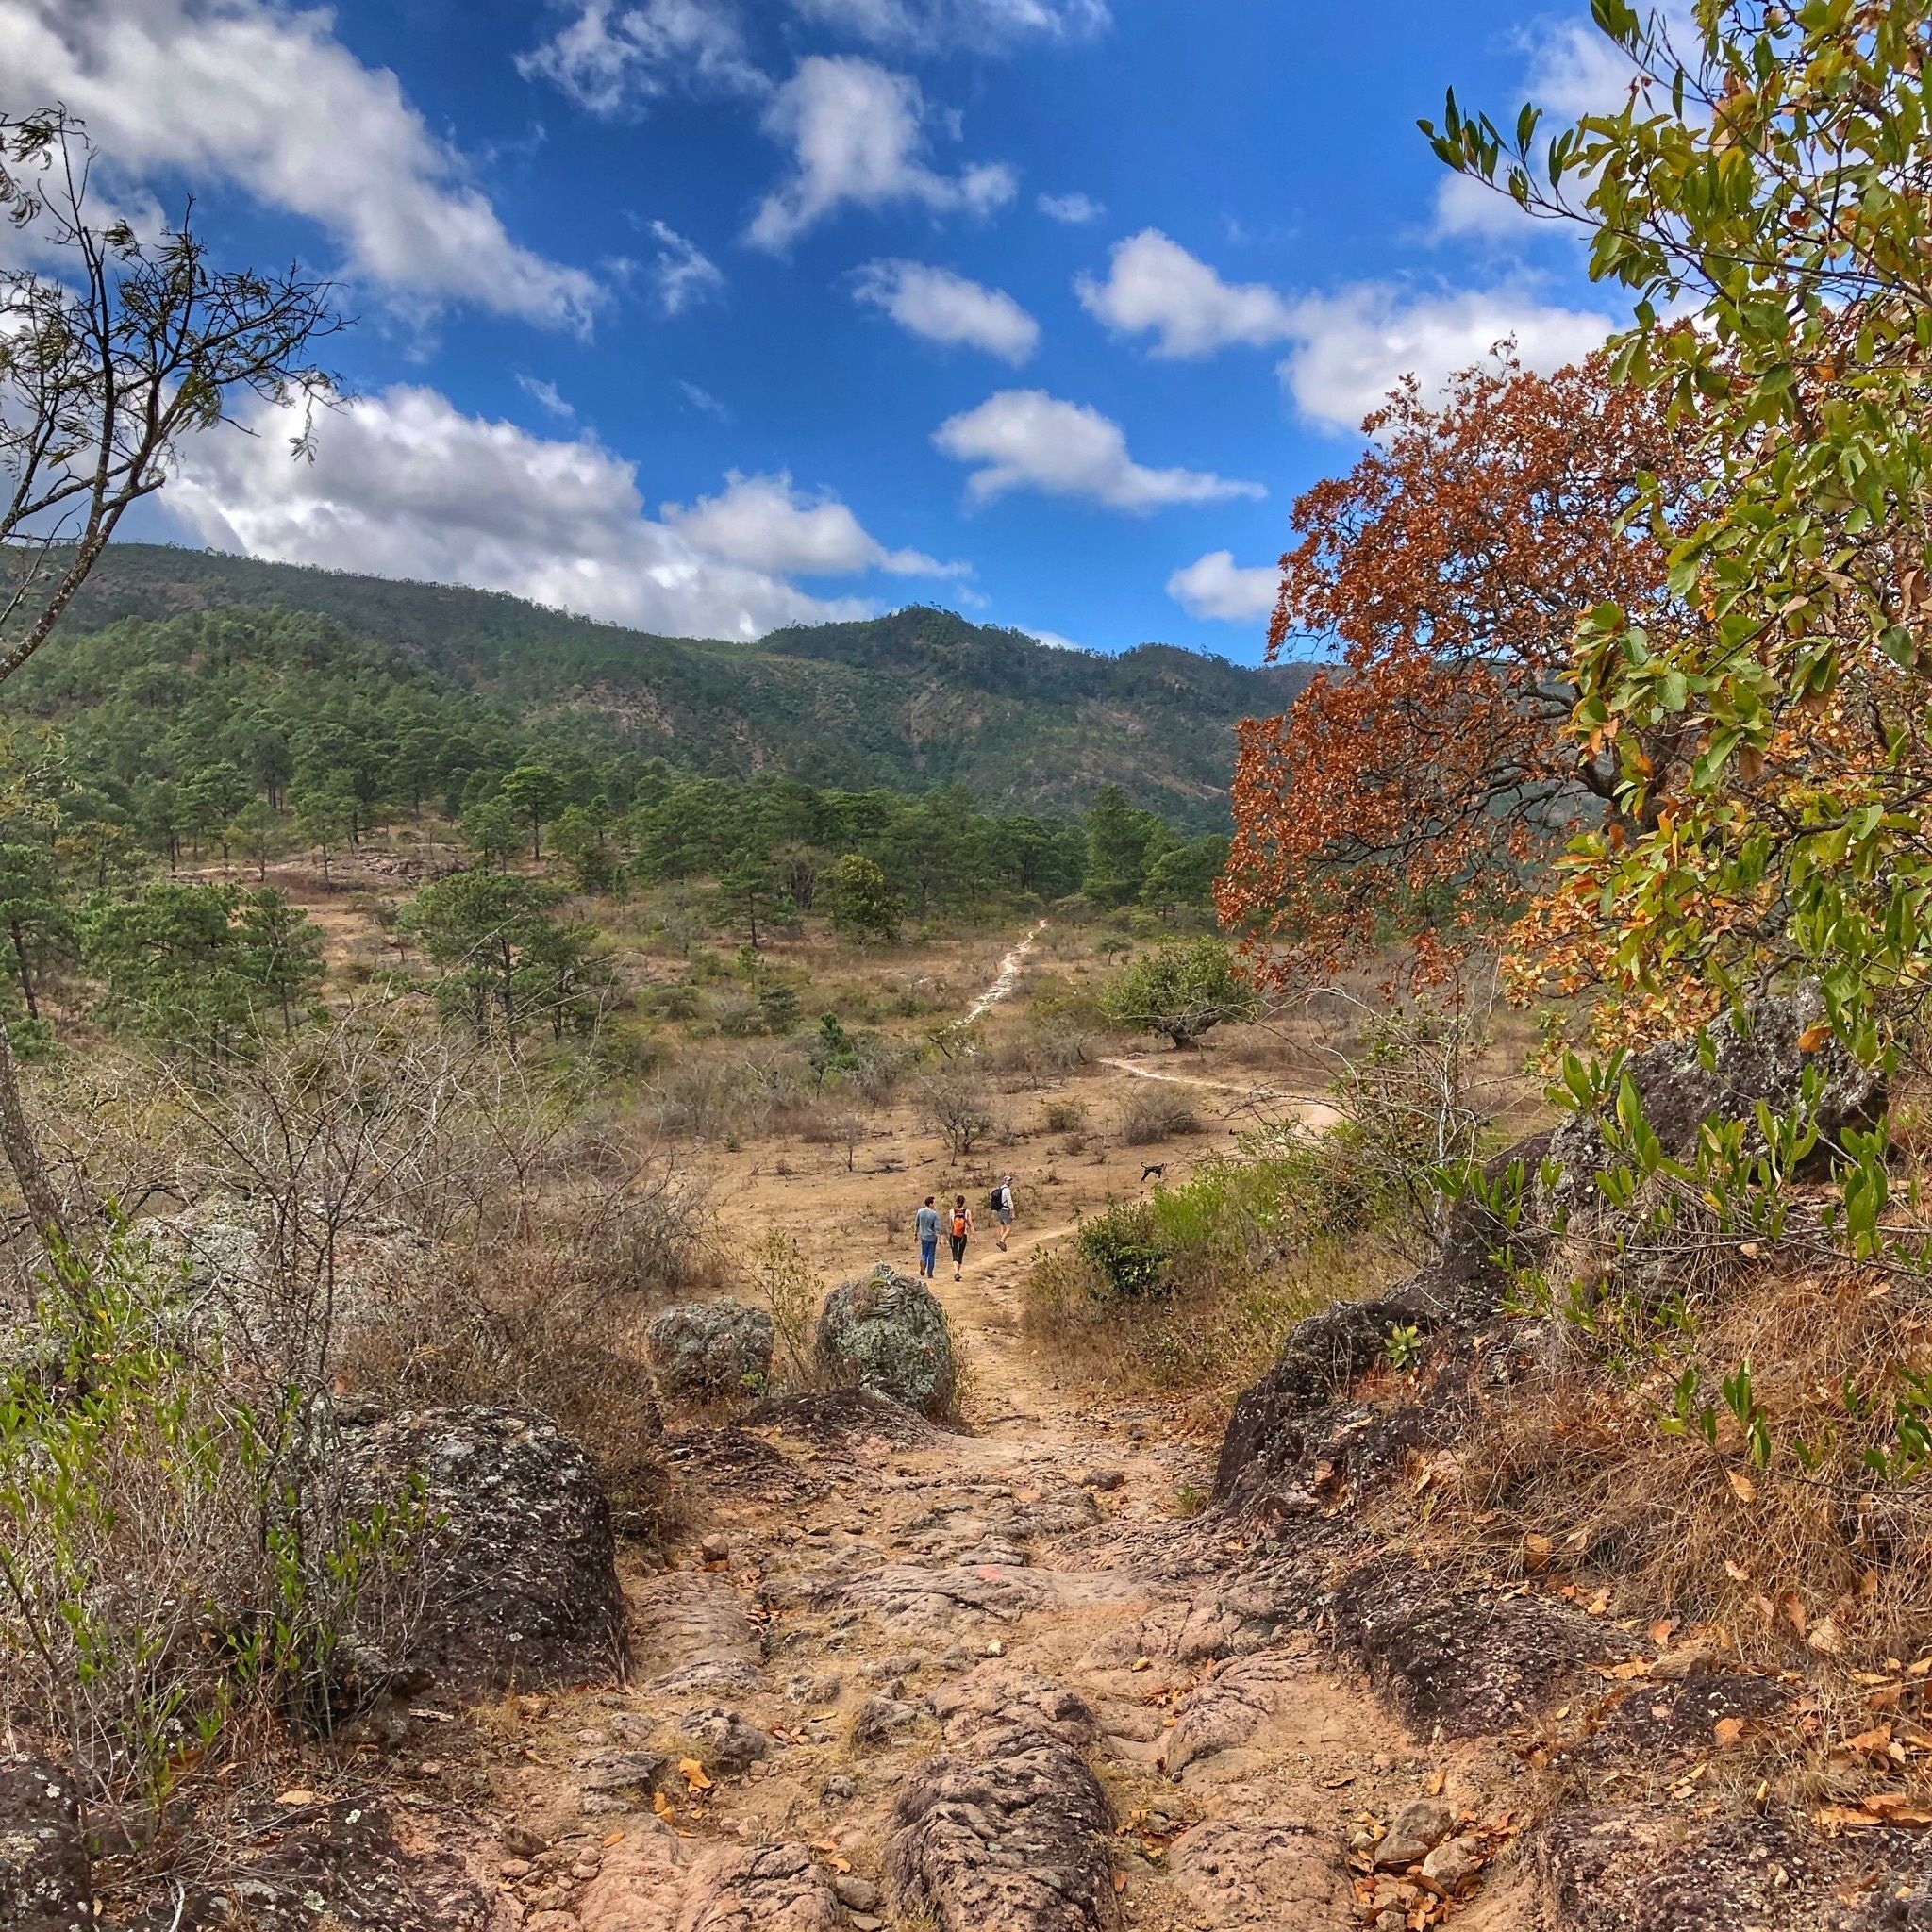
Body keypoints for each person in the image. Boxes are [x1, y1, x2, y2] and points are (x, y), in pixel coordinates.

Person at [947, 1193, 974, 1280]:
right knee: (960, 1254)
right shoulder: (967, 1212)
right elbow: (970, 1224)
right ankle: (957, 1272)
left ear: (956, 1202)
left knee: (954, 1253)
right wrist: (974, 1236)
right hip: (963, 1235)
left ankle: (956, 1272)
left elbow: (951, 1224)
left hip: (953, 1234)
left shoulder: (951, 1211)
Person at [915, 1194, 941, 1279]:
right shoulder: (935, 1214)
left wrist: (915, 1234)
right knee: (931, 1255)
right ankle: (930, 1273)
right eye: (933, 1203)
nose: (934, 1205)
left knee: (924, 1253)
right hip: (932, 1237)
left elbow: (917, 1224)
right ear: (930, 1204)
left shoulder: (920, 1212)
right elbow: (937, 1228)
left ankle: (923, 1264)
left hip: (923, 1236)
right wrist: (939, 1238)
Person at [993, 1174, 1017, 1251]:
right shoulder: (1007, 1190)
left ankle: (1002, 1243)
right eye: (1008, 1181)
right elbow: (1010, 1202)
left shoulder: (1000, 1189)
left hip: (999, 1210)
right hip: (1005, 1210)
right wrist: (1012, 1212)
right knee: (1008, 1228)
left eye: (1010, 1180)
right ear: (1005, 1181)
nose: (1010, 1182)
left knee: (1002, 1226)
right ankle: (1001, 1241)